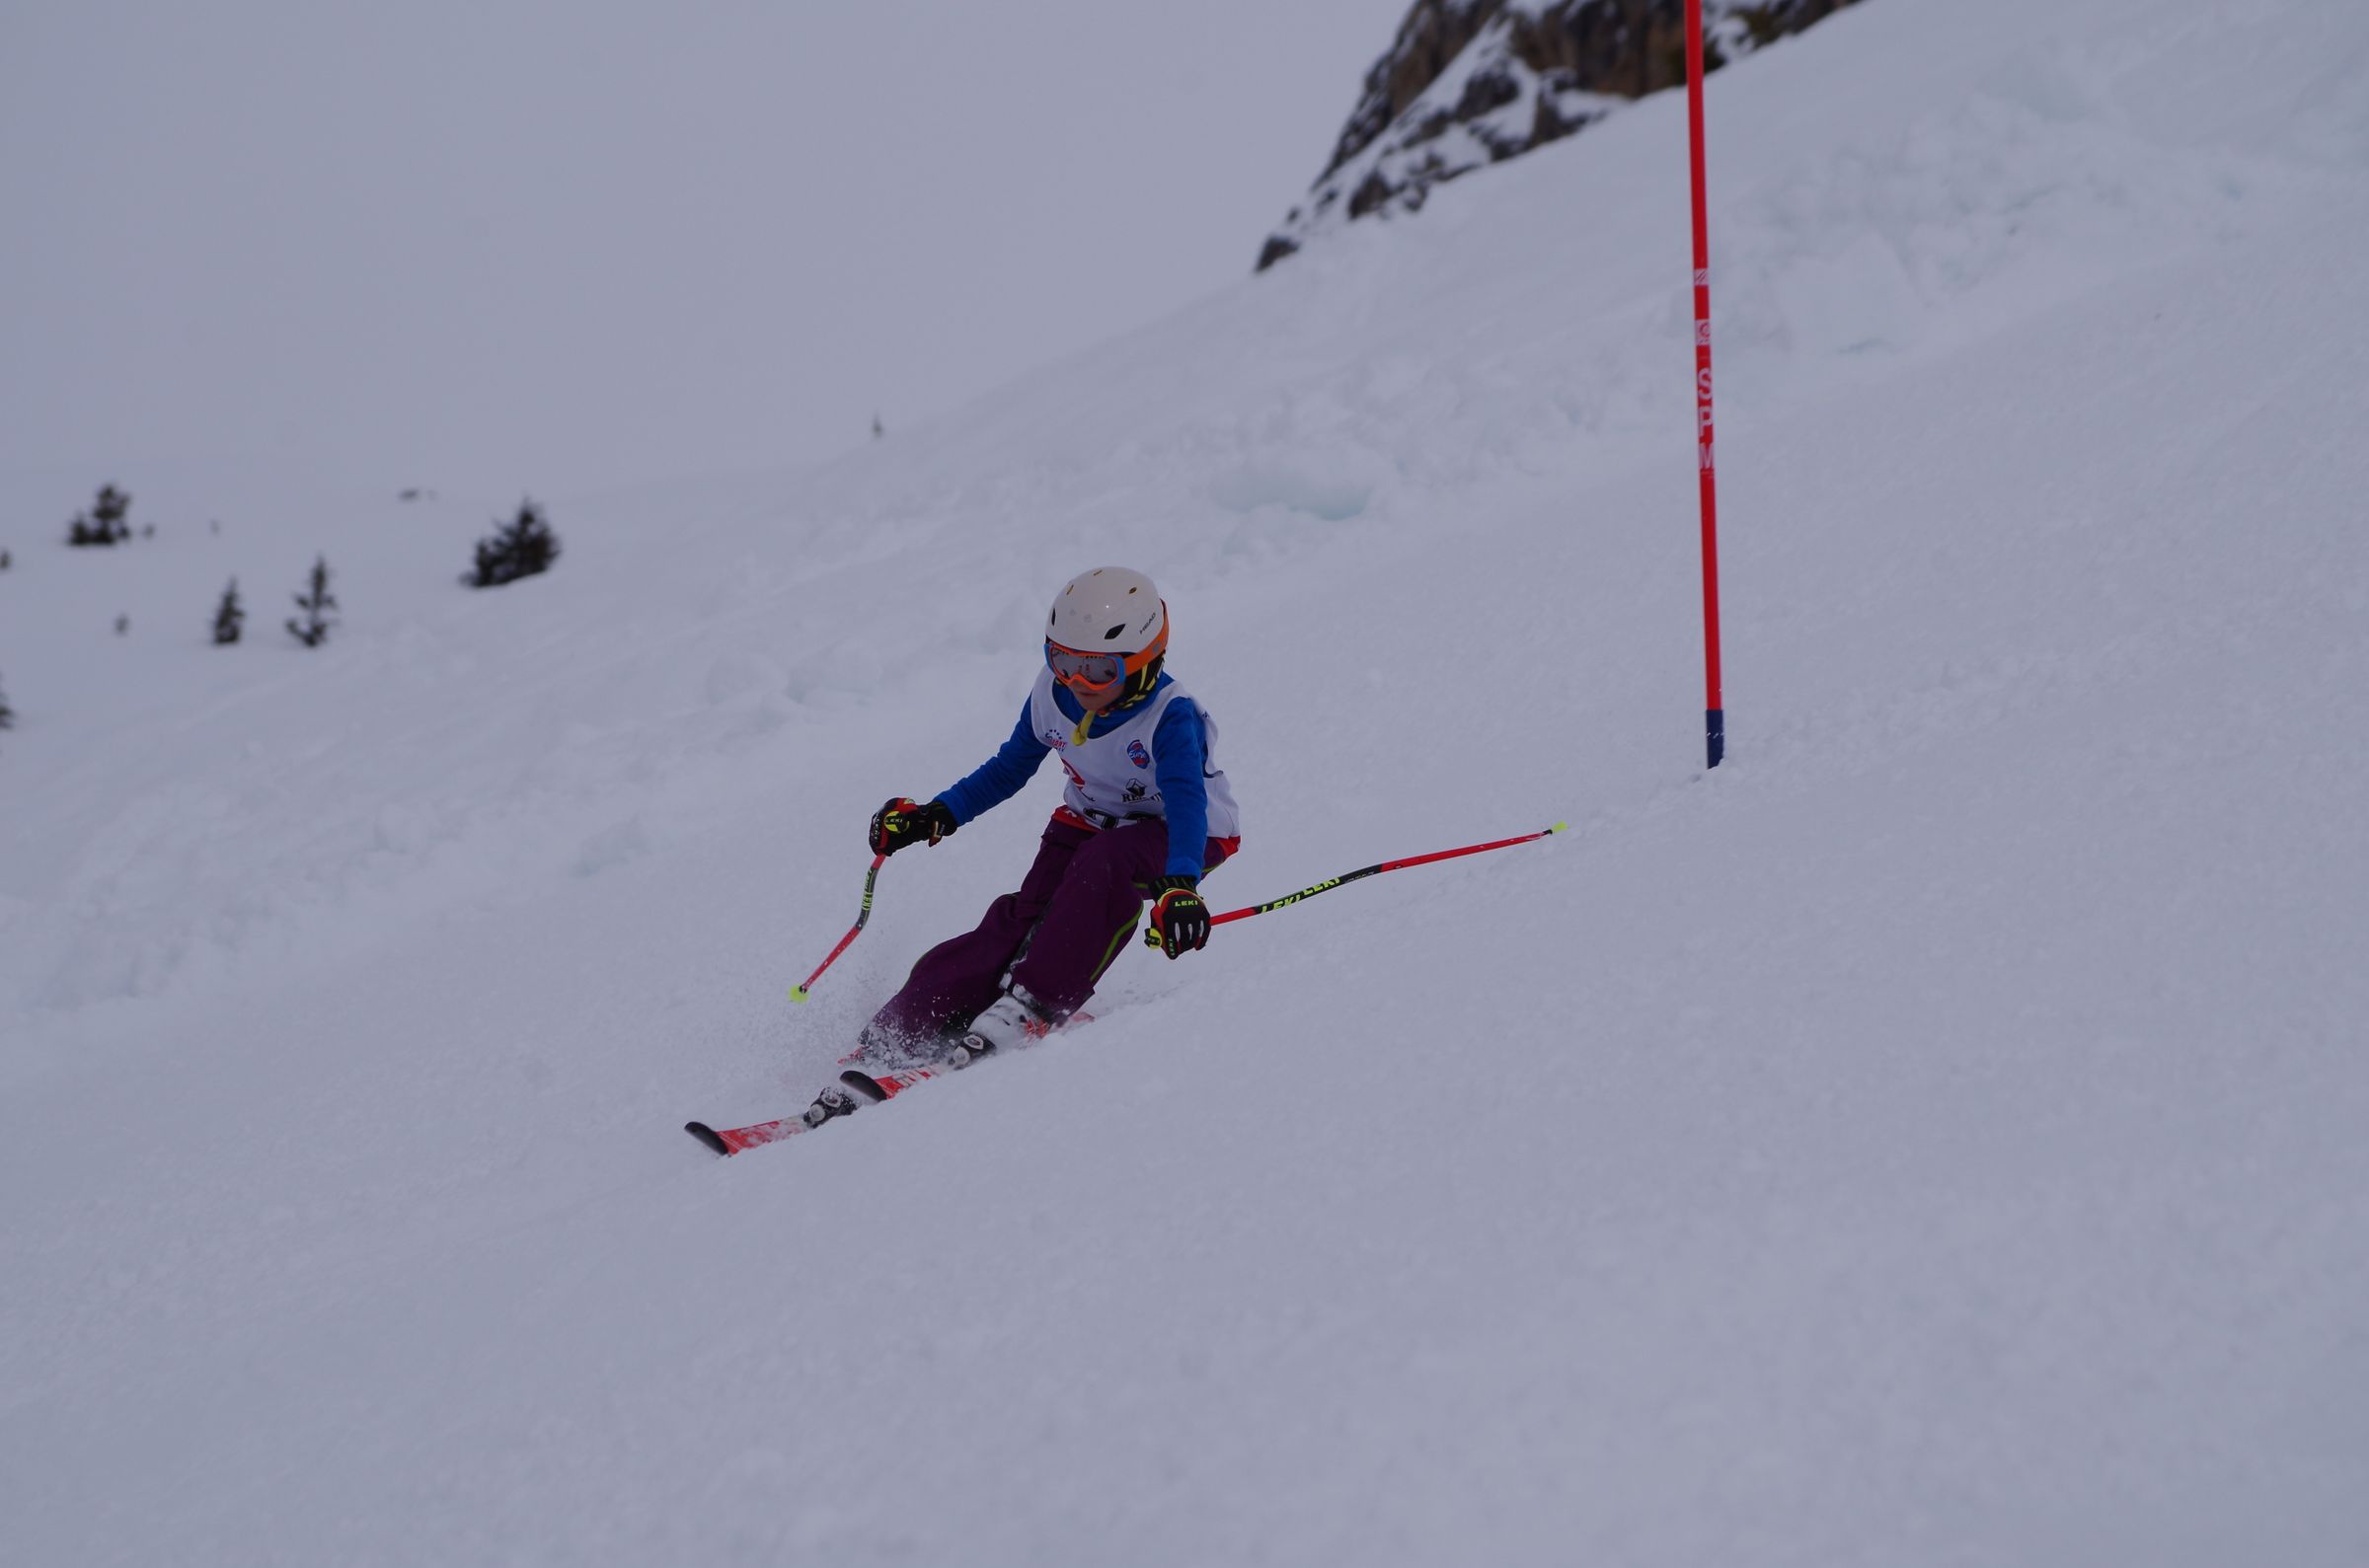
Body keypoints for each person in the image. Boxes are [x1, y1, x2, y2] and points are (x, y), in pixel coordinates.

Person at [849, 564, 1242, 1077]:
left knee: (1104, 866)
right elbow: (1009, 767)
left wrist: (1182, 883)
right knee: (1024, 916)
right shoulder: (1051, 693)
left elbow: (1187, 802)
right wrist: (937, 814)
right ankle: (917, 1018)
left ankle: (1034, 1003)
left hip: (1185, 835)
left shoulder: (1170, 716)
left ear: (1145, 662)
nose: (1077, 683)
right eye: (1062, 661)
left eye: (1099, 671)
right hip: (1090, 820)